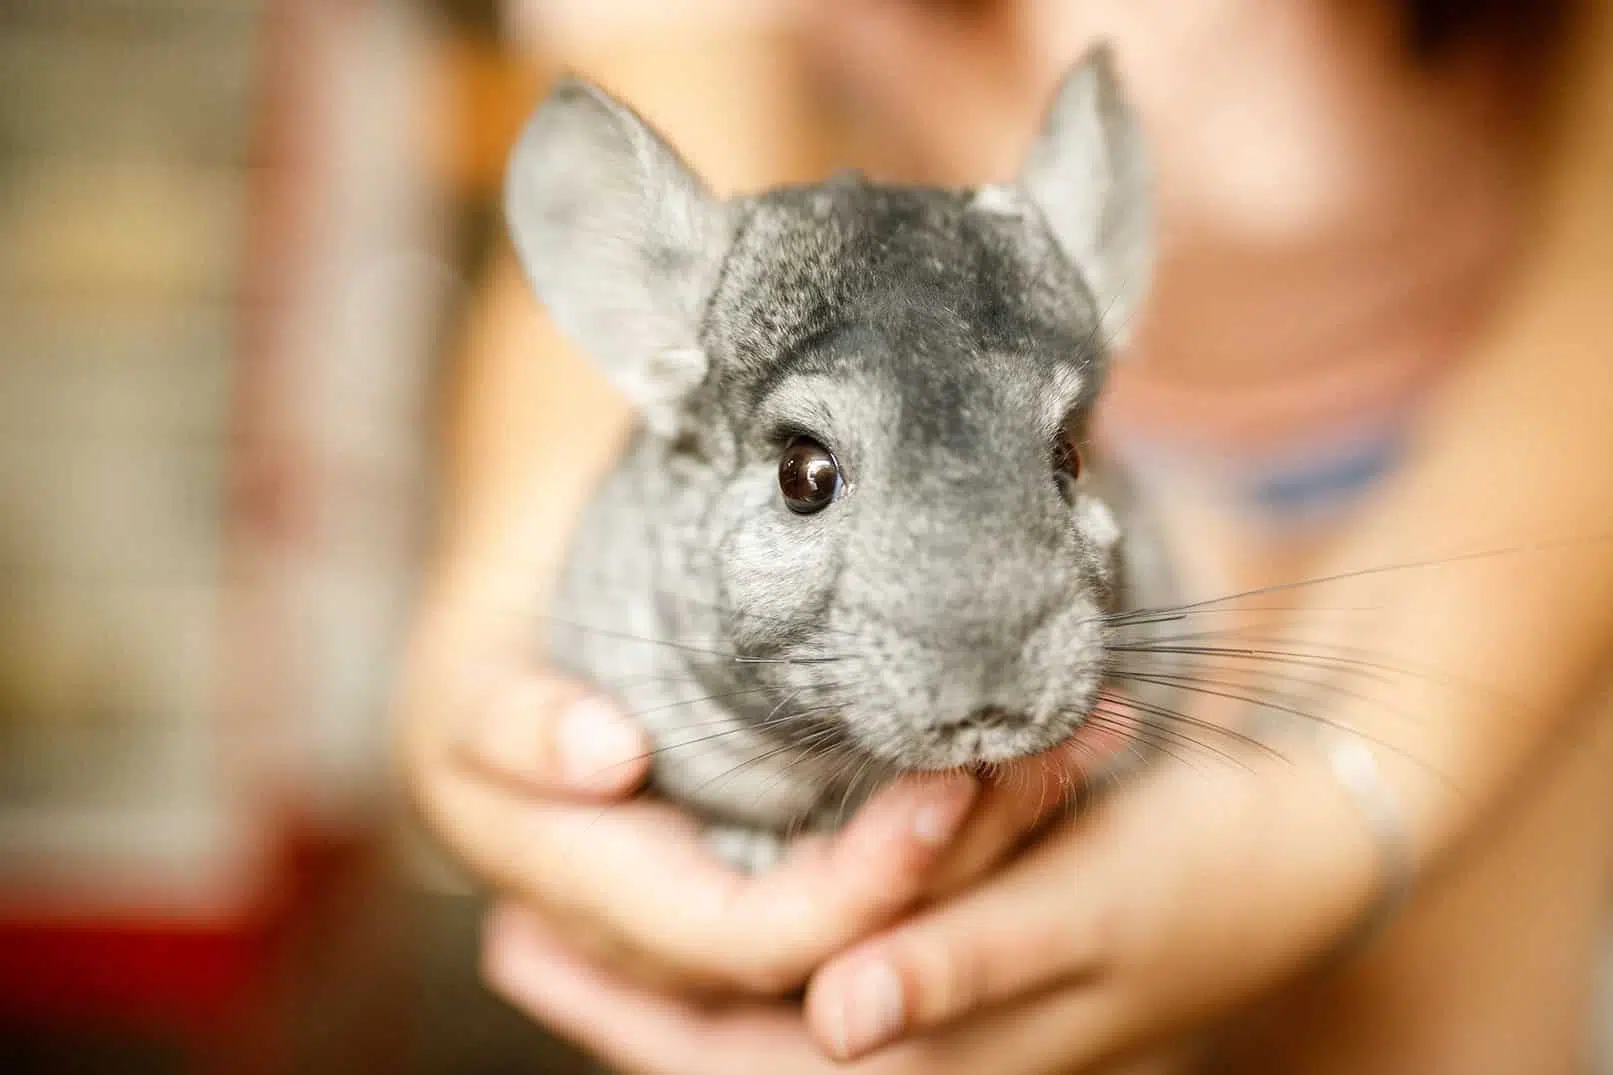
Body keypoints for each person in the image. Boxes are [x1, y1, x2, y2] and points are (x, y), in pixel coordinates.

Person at [396, 1, 1613, 1071]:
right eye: (809, 474)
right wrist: (486, 616)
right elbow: (680, 61)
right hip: (983, 391)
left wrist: (1337, 812)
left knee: (1424, 1032)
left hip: (1504, 454)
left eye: (1063, 455)